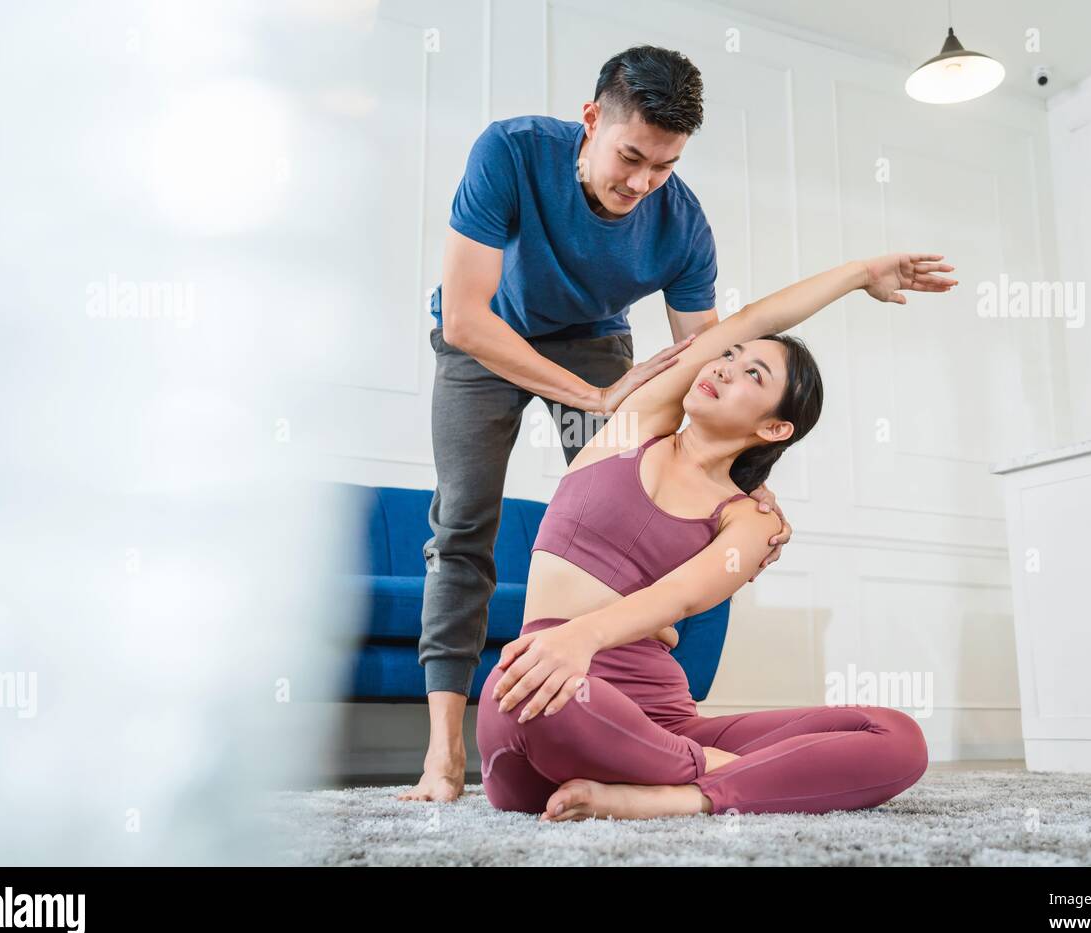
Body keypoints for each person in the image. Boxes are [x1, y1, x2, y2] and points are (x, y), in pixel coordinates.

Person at [402, 46, 797, 803]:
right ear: (591, 121)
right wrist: (592, 397)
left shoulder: (682, 226)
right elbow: (463, 317)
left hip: (594, 344)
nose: (643, 183)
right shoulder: (510, 151)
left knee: (637, 516)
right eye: (631, 157)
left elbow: (705, 366)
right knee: (462, 527)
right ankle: (443, 757)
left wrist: (752, 486)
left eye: (665, 166)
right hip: (485, 339)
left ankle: (632, 723)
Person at [476, 251, 958, 821]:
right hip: (561, 699)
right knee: (528, 689)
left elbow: (679, 598)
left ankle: (679, 797)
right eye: (729, 358)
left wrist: (581, 637)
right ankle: (720, 772)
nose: (725, 366)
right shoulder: (634, 426)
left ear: (774, 429)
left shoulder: (750, 521)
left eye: (754, 374)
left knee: (895, 735)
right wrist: (858, 276)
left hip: (663, 720)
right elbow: (750, 318)